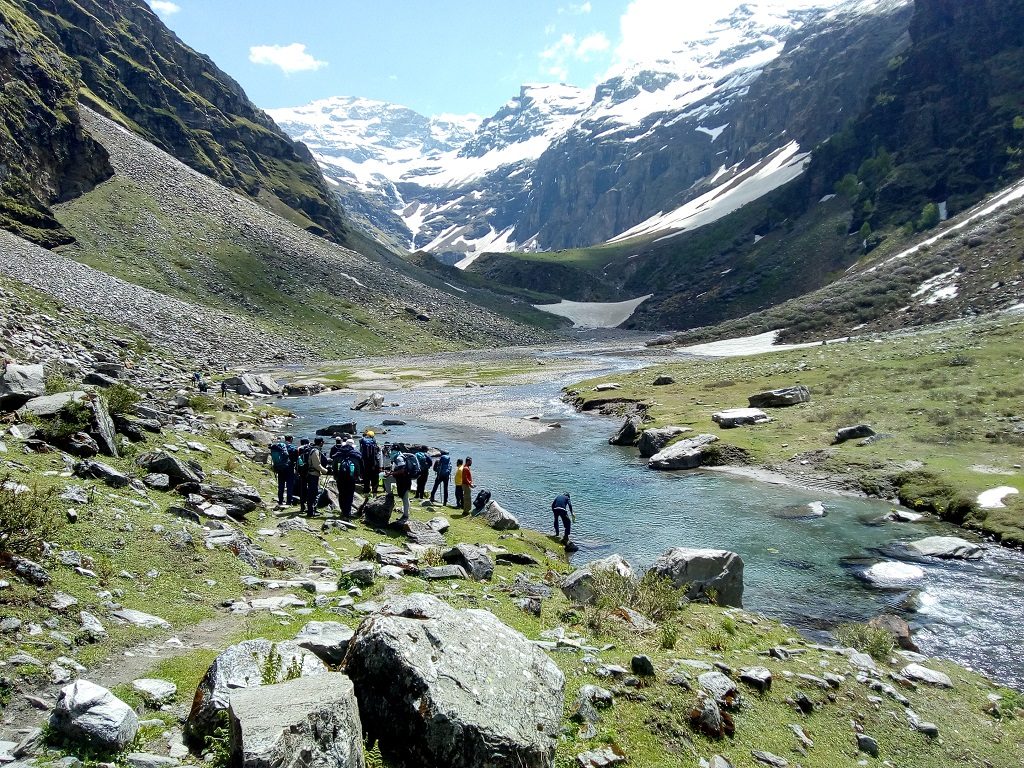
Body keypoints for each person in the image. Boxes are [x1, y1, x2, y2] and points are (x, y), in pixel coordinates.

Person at [333, 438, 363, 518]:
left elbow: (334, 466)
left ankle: (343, 511)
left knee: (342, 494)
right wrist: (358, 476)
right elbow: (359, 467)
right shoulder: (356, 454)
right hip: (351, 478)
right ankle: (348, 512)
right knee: (349, 495)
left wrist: (335, 476)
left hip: (340, 478)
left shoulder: (338, 453)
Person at [303, 437, 328, 516]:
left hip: (311, 474)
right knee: (313, 493)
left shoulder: (312, 450)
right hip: (313, 474)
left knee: (313, 492)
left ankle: (312, 509)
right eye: (323, 442)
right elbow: (317, 465)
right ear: (321, 442)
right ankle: (311, 512)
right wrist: (326, 471)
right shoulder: (315, 451)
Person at [390, 449, 412, 523]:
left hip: (404, 480)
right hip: (404, 480)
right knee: (405, 497)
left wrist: (392, 474)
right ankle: (406, 513)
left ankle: (405, 515)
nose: (391, 451)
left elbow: (402, 470)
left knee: (405, 497)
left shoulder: (399, 458)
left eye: (392, 449)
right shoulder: (400, 456)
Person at [268, 436, 290, 507]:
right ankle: (288, 501)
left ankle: (280, 500)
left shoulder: (274, 447)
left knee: (281, 485)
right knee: (288, 484)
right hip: (285, 468)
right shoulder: (283, 446)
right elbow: (286, 455)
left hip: (278, 468)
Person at [359, 430, 380, 497]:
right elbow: (378, 455)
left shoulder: (363, 443)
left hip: (365, 465)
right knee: (375, 480)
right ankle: (375, 494)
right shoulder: (375, 443)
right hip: (374, 465)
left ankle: (366, 495)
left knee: (366, 480)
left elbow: (360, 454)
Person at [294, 438, 311, 513]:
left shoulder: (298, 449)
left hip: (301, 472)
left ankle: (302, 506)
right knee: (310, 488)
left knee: (302, 488)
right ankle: (310, 505)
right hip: (309, 471)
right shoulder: (310, 448)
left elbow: (295, 460)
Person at [284, 435, 299, 505]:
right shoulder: (292, 447)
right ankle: (289, 500)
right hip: (290, 467)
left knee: (281, 483)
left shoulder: (281, 446)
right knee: (289, 484)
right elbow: (296, 459)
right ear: (291, 439)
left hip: (281, 467)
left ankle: (280, 499)